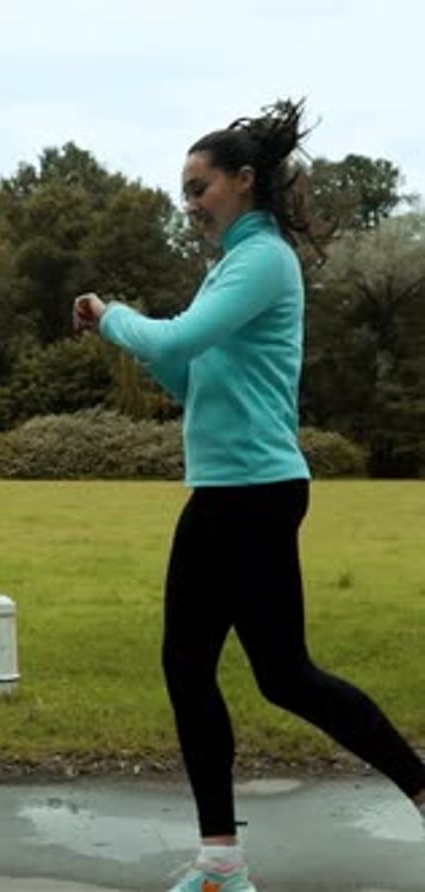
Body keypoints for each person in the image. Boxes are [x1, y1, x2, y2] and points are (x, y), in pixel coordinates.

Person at [73, 99, 425, 892]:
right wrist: (122, 334)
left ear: (243, 181)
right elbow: (186, 373)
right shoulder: (228, 268)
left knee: (286, 675)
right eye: (185, 190)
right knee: (188, 665)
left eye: (200, 188)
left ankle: (418, 786)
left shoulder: (264, 260)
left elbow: (174, 339)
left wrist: (118, 313)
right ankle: (221, 863)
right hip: (224, 492)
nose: (190, 202)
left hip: (257, 493)